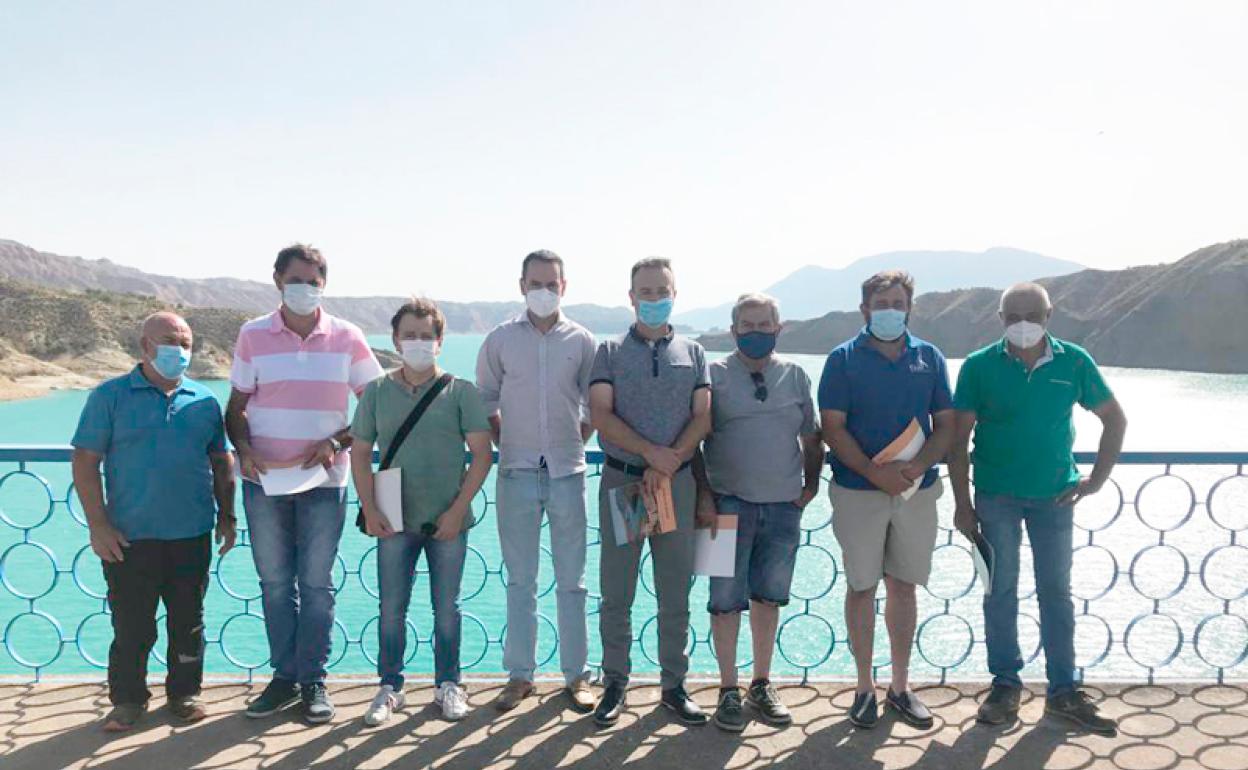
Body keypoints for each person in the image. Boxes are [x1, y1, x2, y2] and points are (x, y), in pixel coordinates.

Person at [949, 282, 1127, 736]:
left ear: (1050, 315)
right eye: (1012, 316)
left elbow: (1114, 418)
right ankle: (1005, 686)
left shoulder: (1074, 361)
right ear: (1000, 318)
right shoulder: (978, 366)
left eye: (1031, 314)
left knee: (1056, 594)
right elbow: (957, 440)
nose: (1022, 324)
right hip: (995, 497)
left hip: (1055, 497)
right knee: (999, 591)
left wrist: (1098, 480)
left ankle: (1063, 691)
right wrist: (963, 506)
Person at [226, 244, 383, 724]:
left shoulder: (348, 337)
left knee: (316, 584)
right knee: (275, 583)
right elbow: (234, 410)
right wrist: (245, 450)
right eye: (297, 279)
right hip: (263, 483)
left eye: (314, 281)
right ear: (277, 279)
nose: (306, 288)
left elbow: (377, 406)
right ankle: (283, 678)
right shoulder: (252, 335)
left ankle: (313, 680)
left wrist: (338, 439)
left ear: (324, 285)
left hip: (323, 482)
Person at [71, 312, 236, 732]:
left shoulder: (204, 401)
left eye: (185, 343)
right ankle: (127, 701)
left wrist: (228, 515)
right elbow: (86, 462)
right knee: (132, 626)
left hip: (191, 534)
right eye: (169, 341)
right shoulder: (109, 396)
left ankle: (184, 694)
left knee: (189, 622)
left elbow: (222, 461)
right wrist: (98, 526)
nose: (178, 350)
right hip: (128, 538)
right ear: (144, 346)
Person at [817, 270, 955, 730]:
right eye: (881, 303)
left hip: (916, 492)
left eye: (897, 302)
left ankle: (900, 686)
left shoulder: (930, 358)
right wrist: (875, 472)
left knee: (904, 586)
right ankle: (862, 688)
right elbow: (832, 427)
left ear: (909, 307)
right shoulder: (841, 360)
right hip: (858, 492)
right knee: (861, 587)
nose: (889, 310)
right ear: (864, 310)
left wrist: (913, 470)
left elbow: (947, 425)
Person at [352, 298, 493, 724]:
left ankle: (448, 684)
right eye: (409, 335)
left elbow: (482, 455)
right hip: (393, 518)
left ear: (440, 341)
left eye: (426, 335)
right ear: (395, 340)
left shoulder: (461, 392)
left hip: (448, 520)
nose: (417, 342)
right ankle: (390, 687)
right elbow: (360, 454)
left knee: (446, 608)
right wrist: (369, 507)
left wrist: (457, 511)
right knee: (391, 608)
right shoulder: (376, 392)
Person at [588, 257, 712, 728]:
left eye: (662, 290)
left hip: (675, 484)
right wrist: (650, 455)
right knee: (616, 590)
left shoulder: (694, 353)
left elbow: (703, 416)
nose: (654, 297)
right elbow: (601, 413)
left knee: (674, 590)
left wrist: (671, 459)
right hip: (625, 482)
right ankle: (614, 682)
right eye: (645, 290)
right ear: (631, 296)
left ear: (675, 294)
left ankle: (673, 686)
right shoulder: (610, 351)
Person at [692, 293, 824, 732]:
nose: (756, 333)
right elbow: (692, 440)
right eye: (747, 326)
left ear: (778, 328)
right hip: (722, 505)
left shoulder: (796, 375)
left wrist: (808, 488)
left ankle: (761, 684)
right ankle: (727, 689)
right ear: (733, 332)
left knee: (769, 598)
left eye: (764, 325)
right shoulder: (711, 374)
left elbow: (812, 437)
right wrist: (704, 497)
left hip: (783, 508)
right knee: (722, 601)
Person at [475, 250, 597, 713]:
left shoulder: (582, 340)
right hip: (515, 473)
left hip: (568, 472)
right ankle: (520, 676)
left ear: (564, 286)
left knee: (573, 581)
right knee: (520, 580)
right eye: (535, 283)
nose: (543, 291)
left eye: (552, 283)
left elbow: (593, 402)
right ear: (521, 285)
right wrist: (506, 440)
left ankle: (577, 676)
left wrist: (579, 437)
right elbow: (484, 398)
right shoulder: (500, 340)